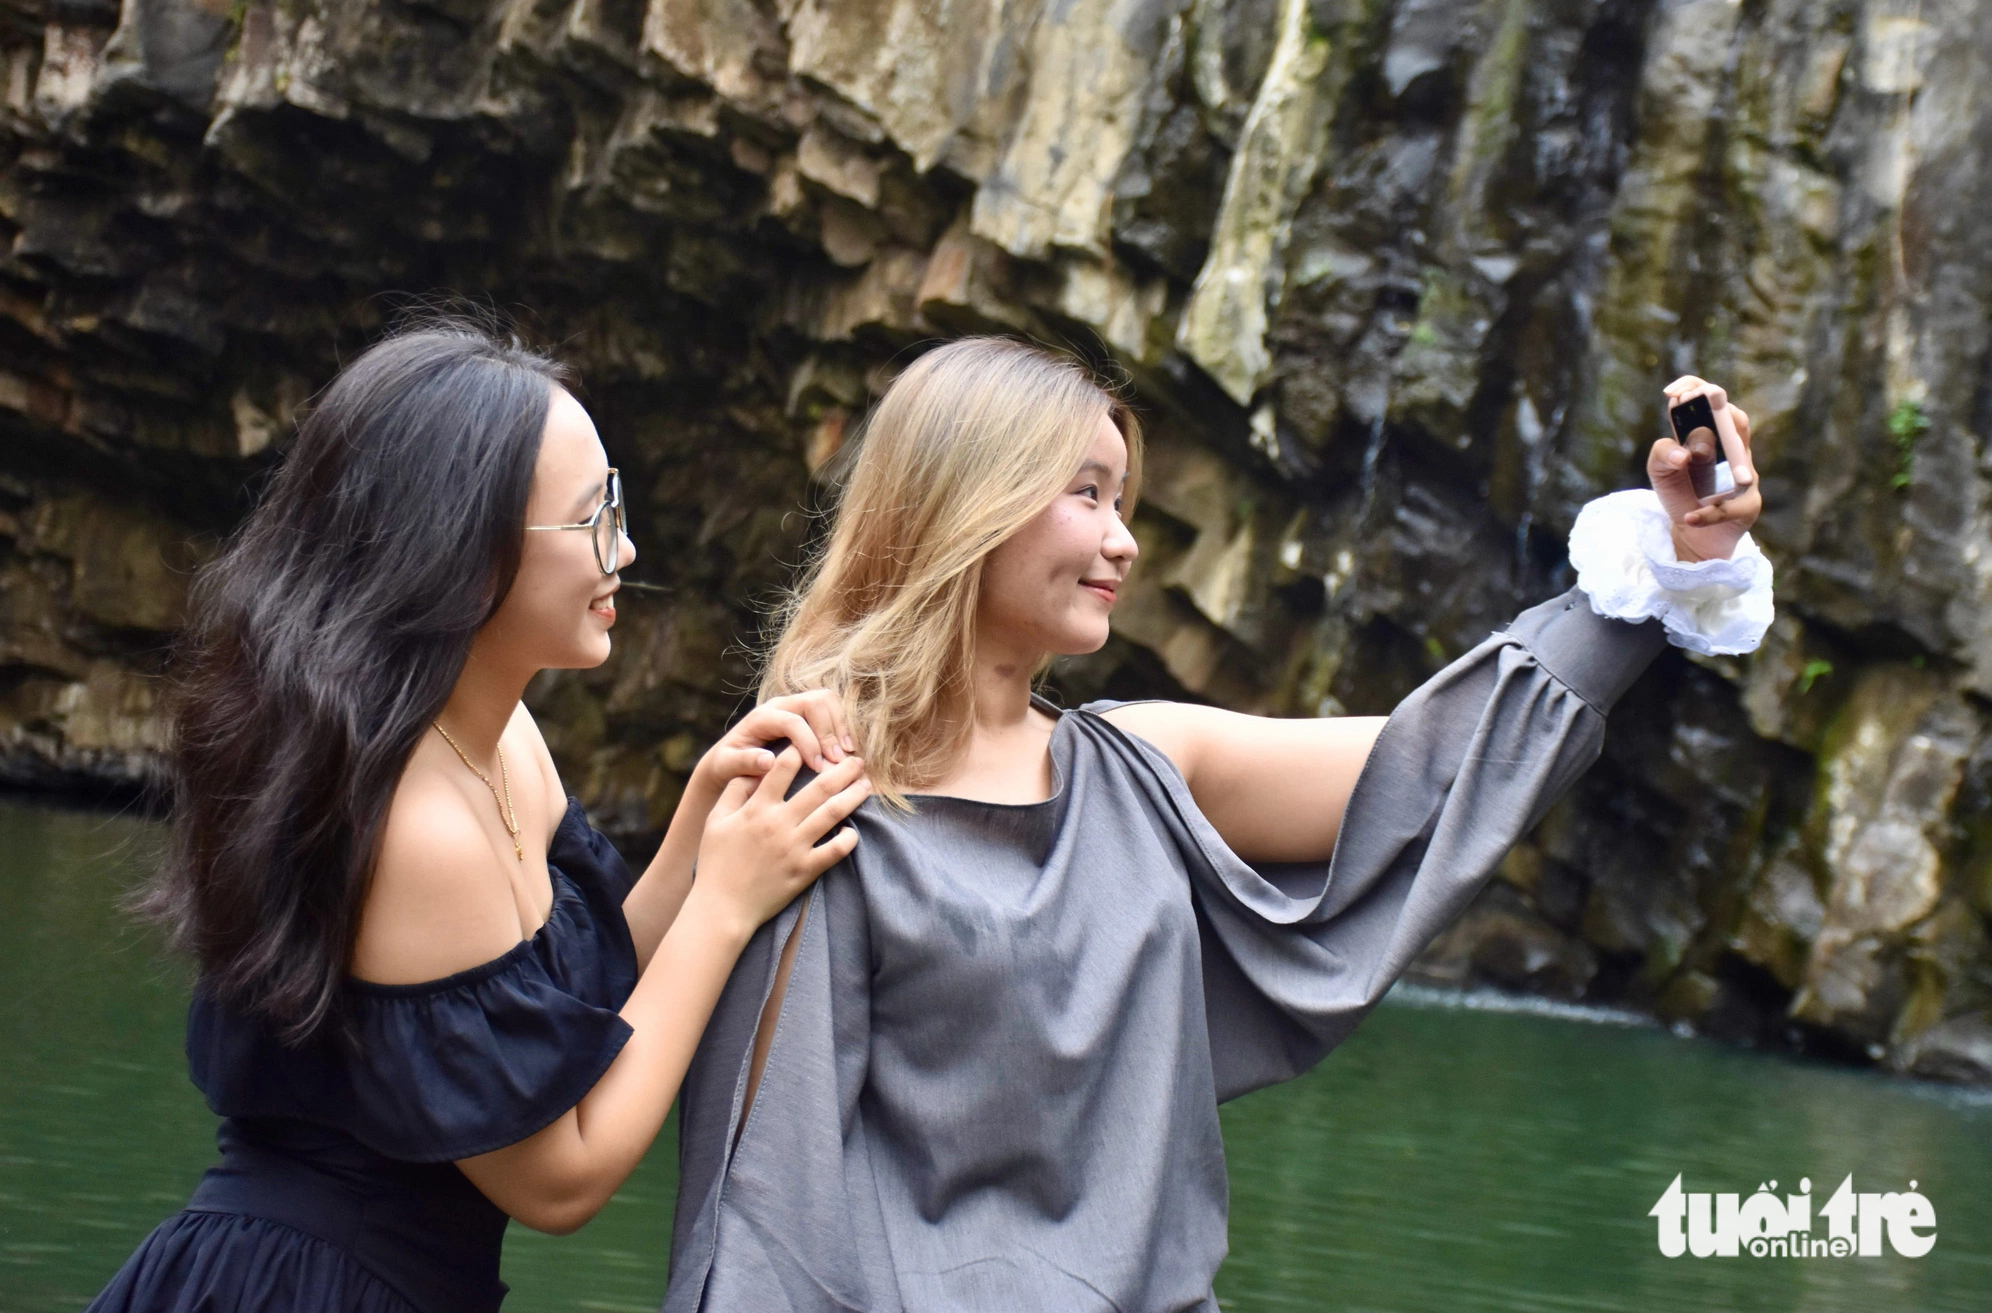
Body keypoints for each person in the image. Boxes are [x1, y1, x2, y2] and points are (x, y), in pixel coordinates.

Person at [658, 336, 1776, 1311]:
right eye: (1084, 493)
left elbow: (1436, 765)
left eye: (1122, 500)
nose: (1125, 540)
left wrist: (1667, 568)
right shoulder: (818, 791)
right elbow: (770, 1193)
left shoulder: (1143, 760)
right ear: (962, 501)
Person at [88, 320, 872, 1313]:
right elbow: (561, 1171)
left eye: (617, 504)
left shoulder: (498, 738)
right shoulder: (416, 824)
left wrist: (701, 820)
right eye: (594, 517)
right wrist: (722, 901)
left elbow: (558, 1007)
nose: (625, 549)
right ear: (464, 548)